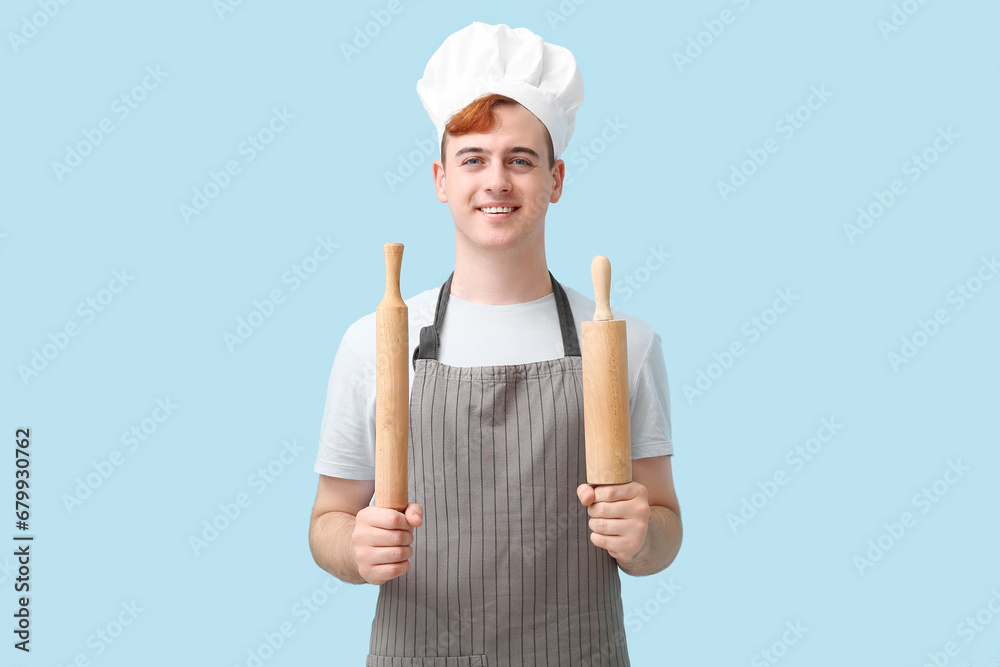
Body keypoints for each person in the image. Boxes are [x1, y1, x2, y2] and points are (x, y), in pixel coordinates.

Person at [308, 22, 682, 666]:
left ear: (556, 178)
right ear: (440, 178)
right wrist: (354, 549)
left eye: (520, 159)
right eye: (473, 158)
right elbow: (327, 522)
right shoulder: (375, 342)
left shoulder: (624, 343)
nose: (497, 181)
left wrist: (642, 536)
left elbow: (665, 526)